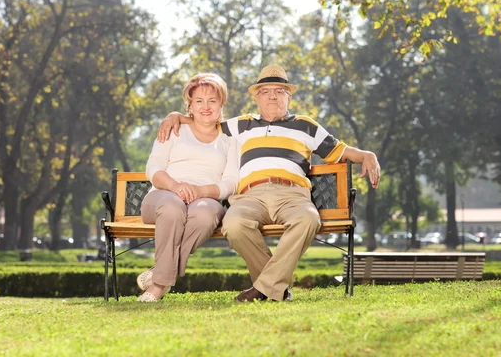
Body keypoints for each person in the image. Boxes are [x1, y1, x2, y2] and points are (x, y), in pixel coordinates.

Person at [157, 64, 381, 302]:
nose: (272, 96)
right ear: (257, 97)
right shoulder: (241, 124)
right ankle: (276, 288)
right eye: (265, 91)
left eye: (279, 91)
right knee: (233, 224)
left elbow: (341, 150)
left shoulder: (305, 125)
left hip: (292, 194)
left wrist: (367, 155)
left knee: (308, 219)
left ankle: (262, 288)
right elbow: (204, 120)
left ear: (289, 96)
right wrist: (175, 117)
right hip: (249, 196)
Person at [136, 72, 239, 302]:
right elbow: (153, 168)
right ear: (189, 105)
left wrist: (201, 191)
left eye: (212, 101)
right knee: (173, 207)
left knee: (205, 214)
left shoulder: (230, 141)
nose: (206, 107)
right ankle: (159, 285)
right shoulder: (174, 129)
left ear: (221, 104)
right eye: (199, 101)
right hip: (162, 196)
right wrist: (176, 186)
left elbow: (231, 183)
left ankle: (157, 276)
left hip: (204, 200)